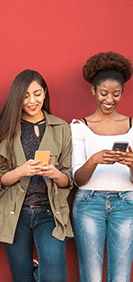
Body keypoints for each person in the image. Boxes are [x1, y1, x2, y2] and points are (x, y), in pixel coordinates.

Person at [0, 69, 73, 282]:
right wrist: (21, 171)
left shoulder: (60, 127)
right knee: (22, 277)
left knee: (55, 277)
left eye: (37, 93)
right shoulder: (6, 129)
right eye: (25, 96)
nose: (32, 101)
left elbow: (67, 181)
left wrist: (54, 173)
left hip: (49, 213)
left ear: (45, 93)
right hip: (14, 214)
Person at [71, 51, 133, 281]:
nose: (109, 99)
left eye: (116, 94)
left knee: (120, 277)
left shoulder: (132, 125)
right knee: (92, 276)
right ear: (93, 91)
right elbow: (78, 179)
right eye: (104, 93)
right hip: (89, 203)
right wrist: (94, 160)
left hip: (127, 203)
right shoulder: (79, 127)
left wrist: (131, 164)